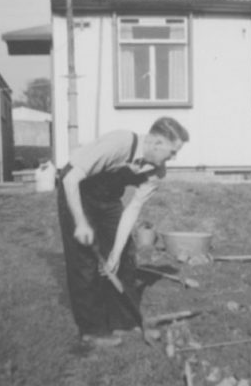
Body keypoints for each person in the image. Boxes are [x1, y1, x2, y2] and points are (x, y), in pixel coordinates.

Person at [57, 117, 189, 347]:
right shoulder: (120, 143)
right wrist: (80, 222)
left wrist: (115, 254)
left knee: (125, 256)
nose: (173, 158)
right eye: (172, 152)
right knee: (84, 262)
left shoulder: (157, 171)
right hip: (77, 191)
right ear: (156, 143)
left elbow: (133, 209)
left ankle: (123, 321)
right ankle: (92, 330)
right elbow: (70, 177)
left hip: (108, 200)